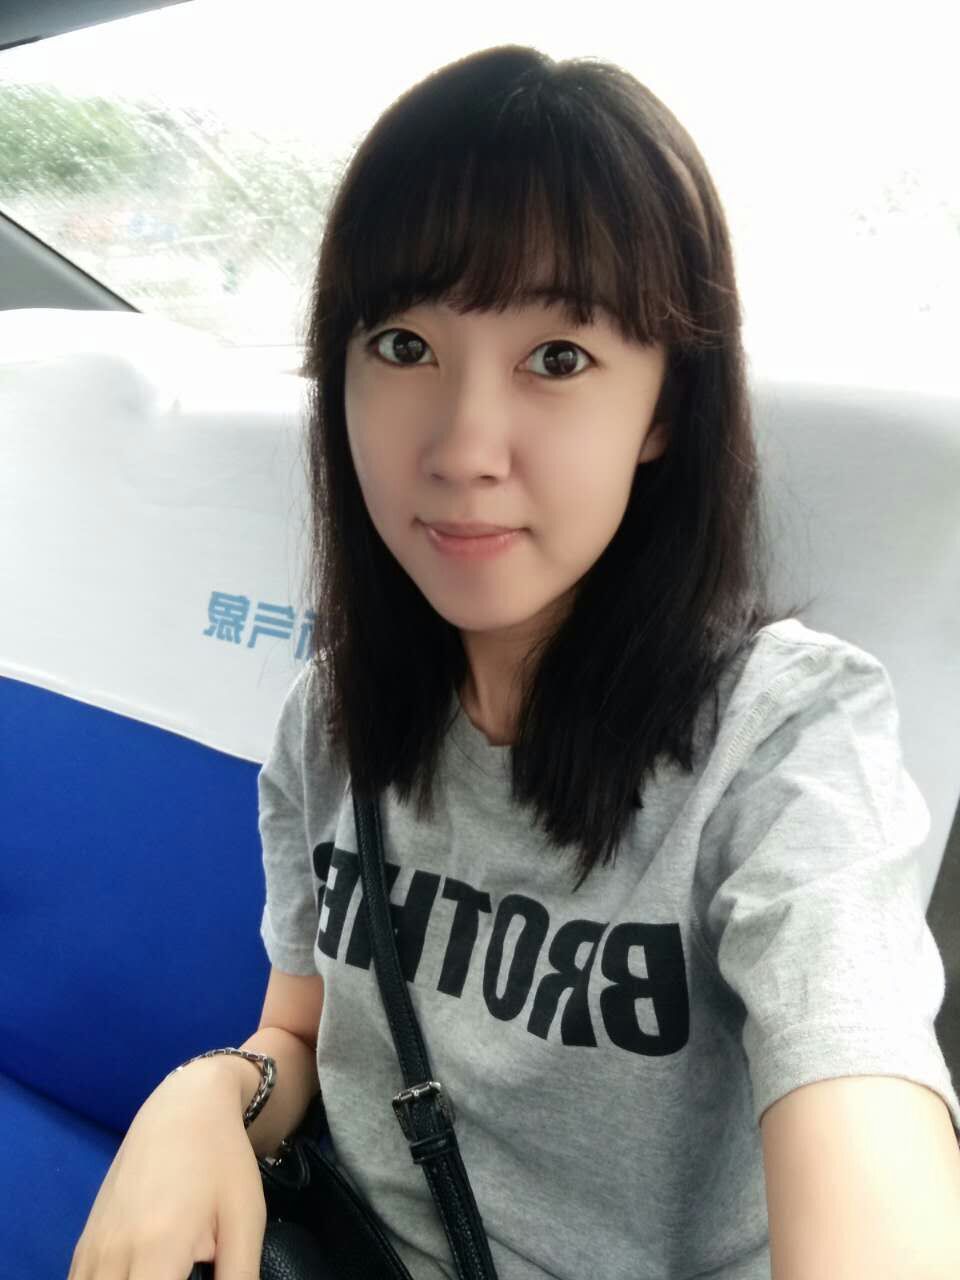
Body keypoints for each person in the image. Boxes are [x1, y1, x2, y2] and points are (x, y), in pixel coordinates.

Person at [69, 42, 960, 1280]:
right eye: (402, 345)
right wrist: (207, 1093)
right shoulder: (330, 720)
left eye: (558, 358)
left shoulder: (784, 739)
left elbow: (863, 1099)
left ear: (663, 408)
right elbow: (300, 1029)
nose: (463, 446)